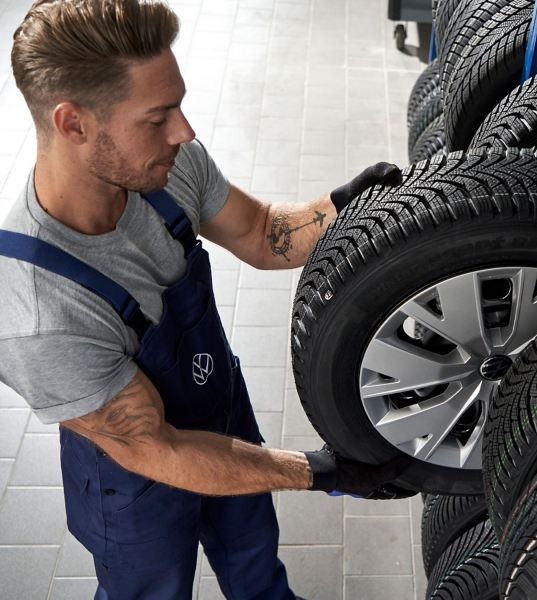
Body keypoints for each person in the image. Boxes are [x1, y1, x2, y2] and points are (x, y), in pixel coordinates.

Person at [0, 1, 412, 598]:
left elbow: (261, 232)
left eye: (179, 104)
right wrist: (318, 472)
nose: (185, 131)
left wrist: (348, 208)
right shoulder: (40, 312)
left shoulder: (161, 167)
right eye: (158, 116)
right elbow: (157, 447)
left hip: (217, 404)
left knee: (255, 565)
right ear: (73, 123)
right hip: (135, 477)